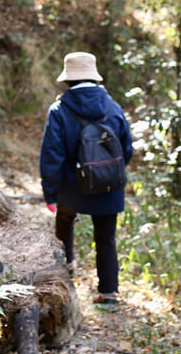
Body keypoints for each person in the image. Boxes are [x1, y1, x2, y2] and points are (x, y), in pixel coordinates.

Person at [39, 52, 133, 306]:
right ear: (94, 77)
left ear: (67, 80)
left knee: (65, 222)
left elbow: (52, 155)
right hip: (108, 187)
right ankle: (109, 294)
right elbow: (127, 150)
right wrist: (106, 174)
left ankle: (65, 271)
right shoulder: (113, 108)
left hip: (72, 187)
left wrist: (50, 193)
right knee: (106, 238)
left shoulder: (59, 110)